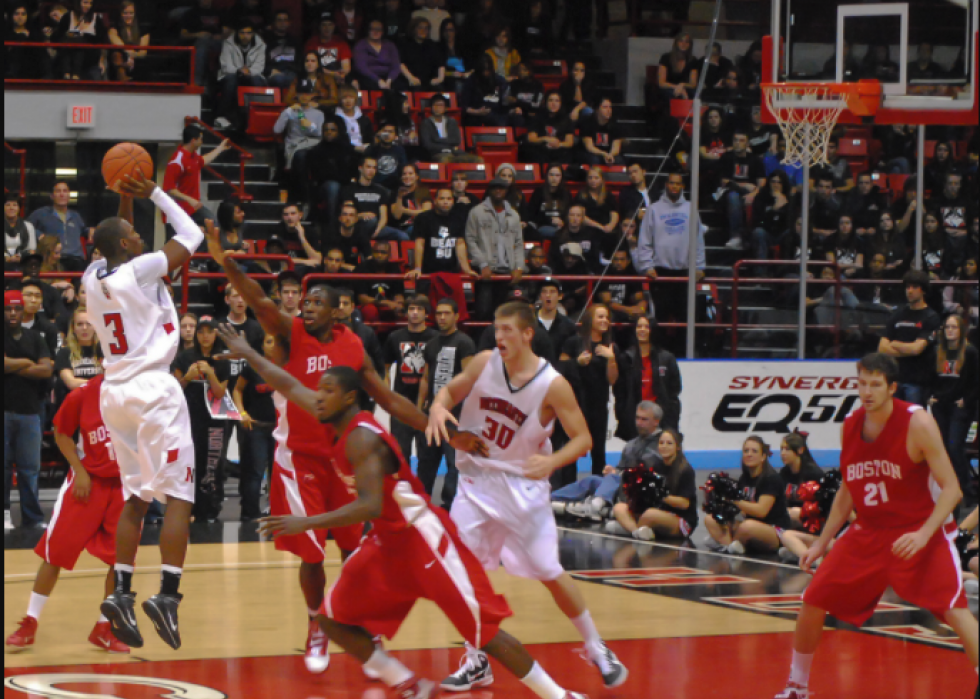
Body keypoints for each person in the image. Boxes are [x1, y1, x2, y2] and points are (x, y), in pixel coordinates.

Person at [219, 354, 592, 699]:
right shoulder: (334, 417)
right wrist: (246, 351)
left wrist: (305, 522)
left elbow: (370, 504)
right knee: (331, 620)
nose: (317, 397)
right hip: (387, 543)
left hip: (423, 539)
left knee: (485, 633)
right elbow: (289, 385)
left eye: (327, 391)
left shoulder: (363, 438)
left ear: (350, 398)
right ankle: (405, 683)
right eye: (319, 389)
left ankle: (559, 696)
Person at [206, 227, 466, 676]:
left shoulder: (353, 346)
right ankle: (316, 625)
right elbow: (259, 301)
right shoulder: (293, 333)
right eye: (303, 302)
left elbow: (387, 399)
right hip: (298, 458)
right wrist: (224, 261)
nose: (304, 307)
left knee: (354, 553)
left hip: (343, 461)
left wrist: (435, 425)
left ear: (336, 310)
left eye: (314, 303)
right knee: (311, 554)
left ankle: (360, 628)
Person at [427, 301, 628, 692]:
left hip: (523, 487)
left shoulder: (552, 384)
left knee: (549, 571)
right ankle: (475, 659)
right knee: (466, 575)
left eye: (506, 330)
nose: (498, 336)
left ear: (526, 334)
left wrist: (551, 461)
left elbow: (584, 439)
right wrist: (437, 408)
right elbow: (449, 393)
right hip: (475, 483)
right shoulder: (484, 362)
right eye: (495, 328)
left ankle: (595, 644)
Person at [772, 353, 977, 699]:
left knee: (953, 611)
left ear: (892, 388)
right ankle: (797, 686)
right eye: (861, 383)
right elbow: (848, 491)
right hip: (870, 531)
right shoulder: (851, 425)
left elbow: (953, 489)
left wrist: (924, 533)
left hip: (919, 529)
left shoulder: (917, 422)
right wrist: (823, 542)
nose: (866, 391)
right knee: (813, 598)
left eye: (875, 385)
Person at [80, 174, 203, 651]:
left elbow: (114, 234)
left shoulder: (93, 275)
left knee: (135, 497)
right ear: (128, 246)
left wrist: (122, 196)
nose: (140, 237)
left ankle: (123, 593)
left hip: (115, 393)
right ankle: (168, 595)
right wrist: (153, 191)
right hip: (155, 389)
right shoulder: (142, 269)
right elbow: (190, 235)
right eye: (134, 237)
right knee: (179, 496)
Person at [4, 374, 129, 653]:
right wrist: (80, 471)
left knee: (121, 561)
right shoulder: (82, 395)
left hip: (123, 486)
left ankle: (104, 628)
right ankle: (30, 622)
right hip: (88, 483)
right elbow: (61, 434)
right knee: (55, 553)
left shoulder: (140, 395)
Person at [553, 401, 662, 522]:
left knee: (613, 478)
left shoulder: (661, 444)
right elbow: (622, 468)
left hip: (643, 490)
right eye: (637, 418)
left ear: (656, 421)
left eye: (644, 419)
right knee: (592, 480)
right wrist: (614, 470)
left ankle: (595, 506)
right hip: (624, 485)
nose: (639, 423)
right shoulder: (632, 444)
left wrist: (618, 474)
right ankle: (549, 499)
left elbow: (647, 473)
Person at [416, 299, 475, 508]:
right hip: (433, 415)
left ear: (456, 316)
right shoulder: (431, 344)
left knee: (454, 464)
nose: (442, 317)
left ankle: (449, 505)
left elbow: (470, 378)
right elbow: (425, 377)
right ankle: (421, 504)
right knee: (426, 464)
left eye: (446, 313)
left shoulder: (464, 342)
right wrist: (419, 406)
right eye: (439, 313)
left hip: (456, 416)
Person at [4, 290, 52, 531]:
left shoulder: (35, 337)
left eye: (16, 308)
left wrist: (11, 365)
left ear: (23, 310)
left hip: (31, 411)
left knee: (30, 469)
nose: (12, 313)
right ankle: (4, 514)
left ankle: (32, 517)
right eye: (8, 309)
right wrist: (27, 362)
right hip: (4, 411)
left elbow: (46, 370)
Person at [637, 172, 707, 328]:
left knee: (685, 318)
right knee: (661, 317)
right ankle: (662, 352)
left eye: (678, 183)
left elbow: (698, 241)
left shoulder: (691, 209)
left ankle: (683, 352)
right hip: (660, 274)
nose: (674, 186)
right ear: (666, 185)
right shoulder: (654, 209)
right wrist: (647, 266)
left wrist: (700, 266)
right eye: (671, 183)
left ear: (682, 186)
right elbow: (644, 240)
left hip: (685, 273)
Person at [704, 436, 792, 555]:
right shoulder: (744, 478)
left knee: (747, 526)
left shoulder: (771, 478)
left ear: (763, 457)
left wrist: (733, 501)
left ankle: (728, 544)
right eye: (746, 451)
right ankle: (730, 546)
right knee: (711, 519)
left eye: (754, 451)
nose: (749, 454)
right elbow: (741, 512)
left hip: (775, 530)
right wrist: (719, 502)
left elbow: (761, 511)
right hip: (750, 525)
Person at [561, 304, 621, 475]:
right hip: (575, 403)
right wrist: (576, 363)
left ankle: (597, 489)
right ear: (590, 319)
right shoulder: (574, 342)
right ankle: (568, 487)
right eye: (600, 317)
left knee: (598, 451)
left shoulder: (611, 347)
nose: (604, 321)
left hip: (598, 404)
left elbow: (613, 380)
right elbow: (560, 369)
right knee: (572, 448)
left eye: (606, 318)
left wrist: (611, 359)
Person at [609, 428, 698, 542]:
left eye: (669, 443)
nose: (664, 446)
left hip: (681, 520)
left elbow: (684, 504)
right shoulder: (655, 466)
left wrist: (661, 495)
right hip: (658, 513)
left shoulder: (685, 470)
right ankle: (637, 532)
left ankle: (630, 529)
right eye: (661, 443)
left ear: (678, 447)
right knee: (619, 507)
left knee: (649, 514)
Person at [929, 314, 978, 507]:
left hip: (960, 407)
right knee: (943, 449)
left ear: (961, 330)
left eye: (954, 327)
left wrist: (965, 400)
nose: (950, 330)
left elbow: (975, 381)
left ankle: (966, 490)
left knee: (954, 447)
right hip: (941, 405)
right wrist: (931, 396)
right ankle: (949, 490)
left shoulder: (970, 352)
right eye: (947, 327)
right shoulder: (937, 352)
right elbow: (930, 376)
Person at [230, 333, 280, 522]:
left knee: (278, 474)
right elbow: (237, 389)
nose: (272, 344)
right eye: (268, 341)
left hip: (279, 429)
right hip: (256, 427)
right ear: (262, 345)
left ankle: (277, 513)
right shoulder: (252, 366)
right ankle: (250, 515)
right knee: (255, 473)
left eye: (275, 341)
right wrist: (242, 412)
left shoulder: (286, 367)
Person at [383, 296, 437, 464]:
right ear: (406, 312)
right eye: (411, 309)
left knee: (427, 455)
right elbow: (385, 369)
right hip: (401, 402)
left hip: (428, 404)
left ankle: (423, 489)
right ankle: (402, 488)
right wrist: (388, 396)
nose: (414, 313)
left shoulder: (435, 338)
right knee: (400, 453)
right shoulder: (394, 337)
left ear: (426, 314)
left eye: (419, 309)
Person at [878, 270, 941, 407]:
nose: (910, 291)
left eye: (914, 287)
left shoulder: (931, 317)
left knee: (913, 423)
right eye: (907, 287)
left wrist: (894, 344)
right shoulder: (897, 314)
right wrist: (907, 348)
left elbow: (917, 349)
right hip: (895, 380)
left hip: (916, 382)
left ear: (923, 290)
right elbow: (882, 347)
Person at [466, 178, 526, 320]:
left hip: (507, 273)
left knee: (504, 315)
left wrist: (519, 267)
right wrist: (483, 264)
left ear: (507, 191)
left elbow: (518, 243)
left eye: (502, 188)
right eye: (495, 188)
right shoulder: (477, 212)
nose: (498, 191)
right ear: (489, 190)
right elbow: (470, 240)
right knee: (483, 314)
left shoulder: (514, 215)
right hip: (486, 273)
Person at [618, 316, 681, 435]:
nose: (642, 330)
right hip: (635, 417)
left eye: (646, 327)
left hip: (660, 417)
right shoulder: (626, 358)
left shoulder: (667, 358)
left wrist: (670, 415)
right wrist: (623, 414)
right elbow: (620, 391)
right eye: (639, 326)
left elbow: (674, 389)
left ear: (652, 330)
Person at [162, 126, 230, 233]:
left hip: (193, 208)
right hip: (178, 211)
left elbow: (203, 160)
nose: (202, 142)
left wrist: (220, 148)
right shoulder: (177, 160)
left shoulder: (193, 157)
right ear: (193, 140)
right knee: (176, 244)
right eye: (200, 139)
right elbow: (169, 189)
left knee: (212, 224)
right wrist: (189, 199)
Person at [408, 188, 476, 285]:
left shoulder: (459, 219)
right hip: (427, 273)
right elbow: (420, 244)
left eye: (449, 199)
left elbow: (460, 245)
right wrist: (418, 268)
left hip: (451, 273)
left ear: (453, 201)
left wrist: (467, 269)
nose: (445, 202)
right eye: (442, 199)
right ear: (435, 201)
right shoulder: (423, 218)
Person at [275, 79, 325, 205]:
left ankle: (303, 198)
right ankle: (298, 197)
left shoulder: (318, 113)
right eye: (301, 93)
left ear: (312, 95)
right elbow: (277, 129)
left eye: (307, 93)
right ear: (297, 95)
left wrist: (310, 125)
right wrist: (287, 112)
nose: (304, 96)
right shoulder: (290, 112)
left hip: (311, 145)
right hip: (293, 144)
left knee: (301, 156)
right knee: (296, 155)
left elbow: (320, 134)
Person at [214, 20, 268, 131]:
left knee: (257, 80)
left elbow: (259, 67)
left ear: (253, 34)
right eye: (242, 33)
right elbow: (226, 66)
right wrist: (240, 71)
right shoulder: (228, 43)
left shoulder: (261, 45)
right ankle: (223, 116)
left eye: (248, 33)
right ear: (237, 33)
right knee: (231, 79)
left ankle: (257, 118)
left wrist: (248, 72)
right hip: (232, 75)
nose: (245, 36)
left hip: (252, 75)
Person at [719, 129, 766, 251]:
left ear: (747, 143)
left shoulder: (755, 160)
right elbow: (724, 182)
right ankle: (736, 236)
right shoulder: (726, 158)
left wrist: (753, 194)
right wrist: (744, 185)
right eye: (735, 140)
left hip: (751, 193)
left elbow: (762, 182)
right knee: (734, 197)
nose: (738, 143)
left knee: (760, 199)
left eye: (741, 140)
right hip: (729, 191)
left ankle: (751, 236)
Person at [340, 154, 404, 242]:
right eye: (368, 167)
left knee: (402, 236)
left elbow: (383, 217)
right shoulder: (349, 189)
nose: (371, 171)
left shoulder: (380, 190)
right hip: (356, 226)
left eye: (374, 168)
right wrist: (361, 215)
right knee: (371, 220)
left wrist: (377, 231)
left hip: (376, 227)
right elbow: (347, 214)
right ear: (360, 168)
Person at [27, 182, 89, 272]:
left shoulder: (76, 216)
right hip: (54, 259)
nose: (62, 194)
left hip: (76, 259)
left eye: (65, 191)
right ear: (52, 196)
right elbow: (26, 227)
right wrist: (39, 235)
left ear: (69, 195)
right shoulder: (41, 213)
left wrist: (91, 231)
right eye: (58, 191)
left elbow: (84, 231)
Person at [309, 118, 356, 227]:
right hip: (324, 188)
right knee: (333, 186)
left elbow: (353, 171)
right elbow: (320, 176)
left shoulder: (348, 149)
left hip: (347, 184)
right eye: (326, 130)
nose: (329, 132)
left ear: (338, 132)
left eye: (332, 130)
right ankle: (332, 225)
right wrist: (342, 177)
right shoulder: (316, 151)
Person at [53, 308, 103, 404]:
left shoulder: (104, 351)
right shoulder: (64, 352)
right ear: (73, 328)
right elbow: (71, 383)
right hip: (74, 405)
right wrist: (99, 383)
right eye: (79, 324)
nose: (84, 328)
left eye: (89, 323)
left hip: (99, 405)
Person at [179, 0, 232, 88]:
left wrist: (221, 36)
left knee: (230, 45)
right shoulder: (191, 13)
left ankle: (229, 79)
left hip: (217, 42)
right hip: (198, 43)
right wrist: (198, 34)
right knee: (203, 43)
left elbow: (228, 32)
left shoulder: (219, 12)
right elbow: (183, 34)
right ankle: (197, 82)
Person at [52, 0, 108, 81]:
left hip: (89, 59)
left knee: (80, 45)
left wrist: (102, 60)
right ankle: (67, 73)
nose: (88, 6)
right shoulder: (67, 17)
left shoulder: (96, 19)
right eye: (85, 2)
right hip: (67, 57)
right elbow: (58, 38)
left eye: (90, 3)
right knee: (68, 43)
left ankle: (75, 74)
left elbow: (101, 41)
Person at [778, 432, 825, 528]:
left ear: (800, 450)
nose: (783, 453)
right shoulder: (784, 472)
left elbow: (824, 503)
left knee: (793, 513)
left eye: (787, 449)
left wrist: (803, 511)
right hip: (790, 515)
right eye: (781, 449)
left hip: (813, 519)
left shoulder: (813, 473)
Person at [420, 93, 480, 163]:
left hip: (455, 152)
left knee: (478, 159)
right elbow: (428, 144)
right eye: (435, 105)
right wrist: (446, 148)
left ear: (446, 108)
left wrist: (436, 140)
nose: (438, 108)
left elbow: (456, 140)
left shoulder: (452, 121)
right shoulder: (426, 123)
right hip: (436, 153)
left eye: (441, 105)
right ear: (431, 107)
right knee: (446, 159)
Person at [355, 241, 406, 322]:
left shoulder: (395, 269)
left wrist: (398, 303)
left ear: (389, 255)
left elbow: (398, 293)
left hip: (389, 305)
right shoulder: (362, 268)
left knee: (403, 312)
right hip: (368, 305)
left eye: (383, 252)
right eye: (376, 252)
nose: (379, 255)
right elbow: (362, 298)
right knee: (370, 310)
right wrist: (386, 303)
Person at [523, 91, 576, 165]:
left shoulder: (566, 120)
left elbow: (569, 142)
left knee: (568, 154)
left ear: (560, 104)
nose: (553, 104)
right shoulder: (537, 117)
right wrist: (545, 139)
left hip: (559, 150)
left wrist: (559, 144)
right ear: (545, 102)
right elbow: (531, 138)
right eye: (550, 100)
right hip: (541, 150)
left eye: (557, 101)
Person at [460, 54, 509, 127]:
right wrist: (478, 112)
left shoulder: (499, 81)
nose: (486, 73)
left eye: (488, 70)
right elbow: (464, 107)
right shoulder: (470, 81)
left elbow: (504, 104)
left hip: (496, 113)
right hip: (475, 115)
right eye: (483, 70)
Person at [305, 11, 352, 86]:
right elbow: (311, 65)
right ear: (319, 27)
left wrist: (341, 75)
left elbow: (346, 66)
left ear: (334, 26)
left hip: (337, 76)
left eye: (330, 25)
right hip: (319, 75)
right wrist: (332, 74)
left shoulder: (341, 43)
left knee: (353, 82)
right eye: (324, 25)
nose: (327, 28)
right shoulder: (312, 42)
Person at [527, 164, 572, 241]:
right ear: (546, 176)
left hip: (563, 226)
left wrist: (563, 221)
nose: (554, 178)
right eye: (551, 175)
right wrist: (550, 220)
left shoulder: (566, 193)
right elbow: (531, 216)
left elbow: (570, 212)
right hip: (544, 226)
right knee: (561, 234)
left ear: (561, 177)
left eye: (557, 175)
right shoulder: (539, 192)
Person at [107, 1, 149, 83]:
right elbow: (117, 43)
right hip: (121, 60)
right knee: (116, 54)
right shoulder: (114, 27)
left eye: (131, 13)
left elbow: (143, 53)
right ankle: (123, 79)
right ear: (121, 14)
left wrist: (132, 57)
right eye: (125, 13)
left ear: (135, 13)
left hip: (137, 61)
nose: (128, 16)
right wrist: (128, 58)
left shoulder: (143, 28)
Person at [353, 19, 400, 90]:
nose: (376, 32)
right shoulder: (361, 45)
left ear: (383, 31)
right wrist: (378, 80)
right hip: (368, 77)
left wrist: (389, 80)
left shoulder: (390, 45)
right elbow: (361, 67)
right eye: (372, 29)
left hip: (388, 78)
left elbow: (396, 66)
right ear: (368, 30)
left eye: (379, 29)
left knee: (399, 86)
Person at [400, 17, 445, 89]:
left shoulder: (432, 45)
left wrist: (440, 79)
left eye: (426, 28)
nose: (423, 30)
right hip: (411, 81)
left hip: (430, 81)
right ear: (413, 29)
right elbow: (401, 64)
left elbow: (440, 64)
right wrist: (411, 78)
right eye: (420, 28)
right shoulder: (406, 45)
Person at [264, 10, 302, 90]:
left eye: (285, 20)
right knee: (279, 79)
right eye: (279, 20)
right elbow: (261, 61)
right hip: (274, 72)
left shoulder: (295, 41)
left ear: (289, 23)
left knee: (295, 80)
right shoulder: (266, 40)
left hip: (291, 71)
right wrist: (270, 70)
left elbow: (300, 62)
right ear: (274, 22)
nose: (282, 23)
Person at [390, 164, 433, 235]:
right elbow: (397, 216)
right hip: (402, 228)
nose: (407, 176)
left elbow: (426, 213)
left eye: (410, 173)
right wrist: (399, 197)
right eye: (404, 174)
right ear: (401, 177)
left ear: (417, 176)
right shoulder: (396, 192)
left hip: (419, 225)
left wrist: (404, 210)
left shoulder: (423, 191)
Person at [658, 33, 698, 101]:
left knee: (695, 93)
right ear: (676, 43)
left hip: (685, 87)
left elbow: (693, 84)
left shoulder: (693, 60)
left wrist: (682, 85)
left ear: (690, 45)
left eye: (687, 42)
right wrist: (678, 88)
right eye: (681, 41)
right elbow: (661, 83)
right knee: (675, 94)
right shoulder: (666, 57)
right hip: (668, 87)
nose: (684, 44)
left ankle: (691, 111)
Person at [506, 62, 546, 127]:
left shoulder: (537, 84)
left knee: (535, 117)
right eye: (519, 70)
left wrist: (518, 102)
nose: (521, 72)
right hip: (518, 113)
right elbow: (509, 102)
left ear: (530, 71)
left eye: (524, 70)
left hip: (532, 113)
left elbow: (536, 105)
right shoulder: (513, 84)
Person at [4, 193, 36, 271]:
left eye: (15, 205)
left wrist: (19, 257)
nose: (11, 208)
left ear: (19, 208)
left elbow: (32, 250)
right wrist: (6, 258)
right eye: (8, 205)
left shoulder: (28, 226)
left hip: (22, 264)